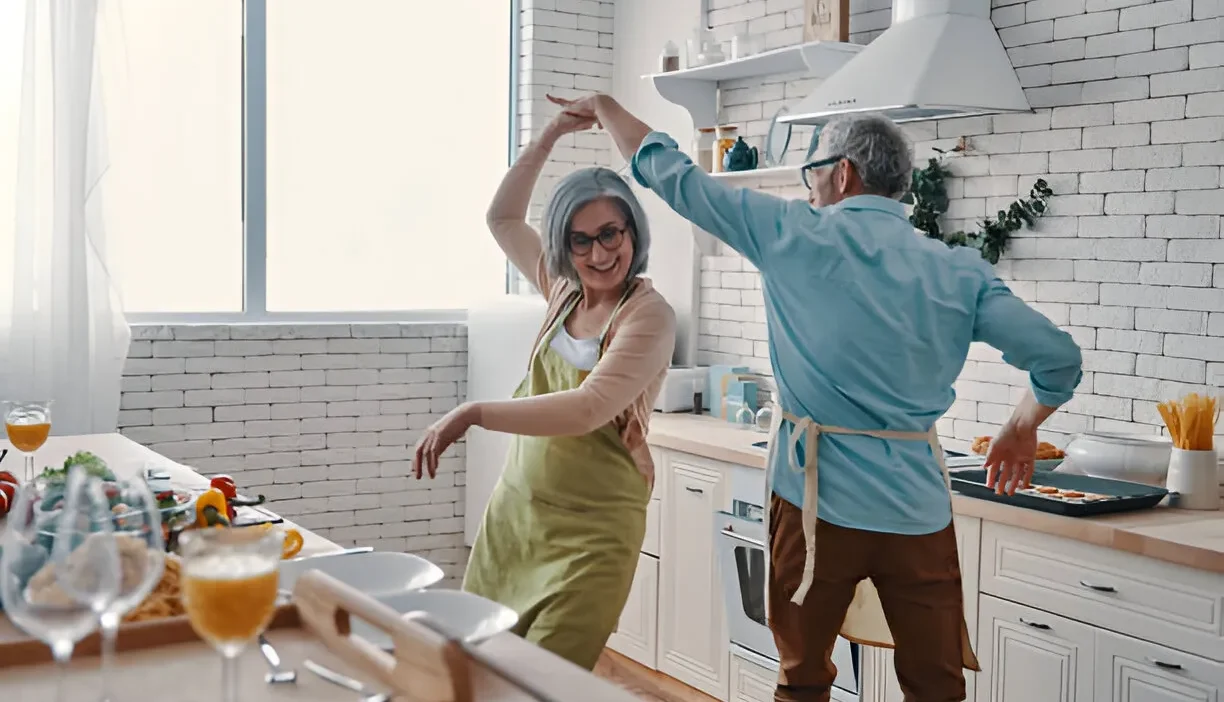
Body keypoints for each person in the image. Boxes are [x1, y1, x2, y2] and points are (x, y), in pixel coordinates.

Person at [552, 94, 1082, 702]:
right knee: (936, 686)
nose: (808, 188)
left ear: (842, 172)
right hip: (917, 512)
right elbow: (1058, 359)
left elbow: (673, 175)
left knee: (802, 678)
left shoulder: (789, 232)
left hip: (812, 507)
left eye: (812, 172)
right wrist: (1022, 425)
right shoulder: (958, 269)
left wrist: (606, 108)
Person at [410, 103, 676, 671]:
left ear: (633, 230)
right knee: (477, 670)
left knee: (539, 681)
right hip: (517, 518)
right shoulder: (564, 291)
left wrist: (475, 412)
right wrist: (551, 133)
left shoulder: (647, 316)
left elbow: (589, 408)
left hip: (593, 536)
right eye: (581, 241)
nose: (600, 253)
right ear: (564, 246)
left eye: (611, 233)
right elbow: (503, 219)